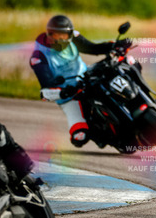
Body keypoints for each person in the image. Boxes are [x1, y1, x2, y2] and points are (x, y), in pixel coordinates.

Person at [30, 15, 132, 147]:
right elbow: (45, 91)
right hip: (69, 95)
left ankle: (142, 99)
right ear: (49, 34)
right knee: (80, 136)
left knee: (127, 63)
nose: (61, 39)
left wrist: (116, 45)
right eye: (57, 35)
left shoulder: (73, 37)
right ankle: (103, 135)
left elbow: (92, 48)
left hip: (86, 76)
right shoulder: (38, 57)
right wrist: (63, 92)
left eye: (64, 35)